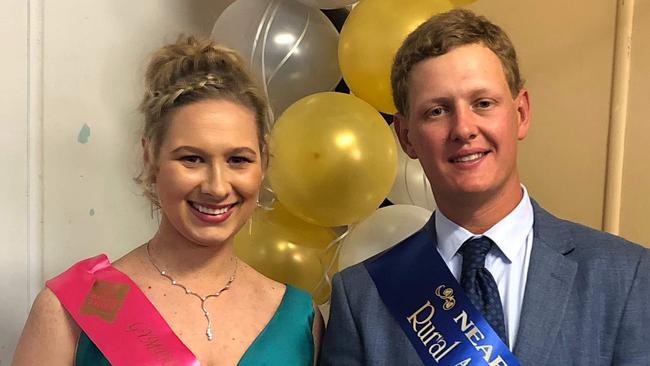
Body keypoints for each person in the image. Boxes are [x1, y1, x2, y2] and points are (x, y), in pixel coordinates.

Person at [320, 9, 650, 366]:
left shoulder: (626, 275)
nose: (463, 129)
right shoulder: (362, 296)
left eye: (483, 103)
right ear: (406, 137)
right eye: (436, 111)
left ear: (520, 113)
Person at [13, 36, 323, 366]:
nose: (217, 187)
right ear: (151, 158)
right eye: (191, 159)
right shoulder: (73, 308)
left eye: (238, 160)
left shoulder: (300, 318)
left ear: (263, 163)